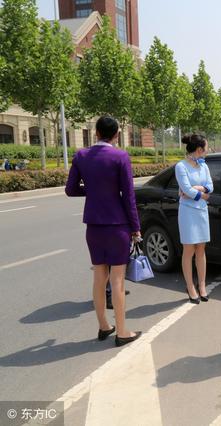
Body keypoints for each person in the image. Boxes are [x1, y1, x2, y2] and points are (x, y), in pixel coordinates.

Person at [65, 116, 141, 347]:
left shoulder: (81, 156)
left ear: (96, 132)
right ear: (116, 134)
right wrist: (136, 228)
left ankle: (103, 326)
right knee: (117, 279)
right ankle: (122, 331)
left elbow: (70, 190)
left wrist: (94, 191)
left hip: (93, 226)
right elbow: (128, 196)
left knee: (99, 276)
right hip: (117, 225)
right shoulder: (120, 156)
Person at [175, 134, 213, 304]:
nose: (207, 151)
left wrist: (197, 189)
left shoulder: (204, 166)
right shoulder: (181, 166)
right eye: (206, 148)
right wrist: (202, 195)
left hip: (201, 212)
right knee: (189, 250)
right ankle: (190, 287)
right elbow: (186, 191)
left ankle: (202, 285)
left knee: (201, 249)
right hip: (188, 212)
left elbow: (210, 187)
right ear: (199, 150)